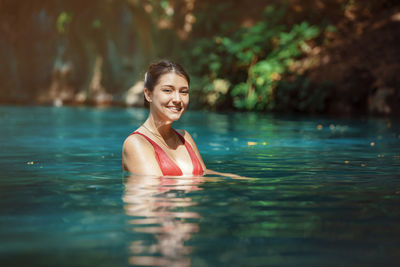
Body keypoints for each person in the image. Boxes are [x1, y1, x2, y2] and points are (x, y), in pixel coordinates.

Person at [122, 60, 247, 178]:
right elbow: (154, 190)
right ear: (148, 94)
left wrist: (236, 179)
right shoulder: (136, 143)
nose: (177, 99)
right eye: (167, 90)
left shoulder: (184, 138)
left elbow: (203, 174)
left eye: (184, 92)